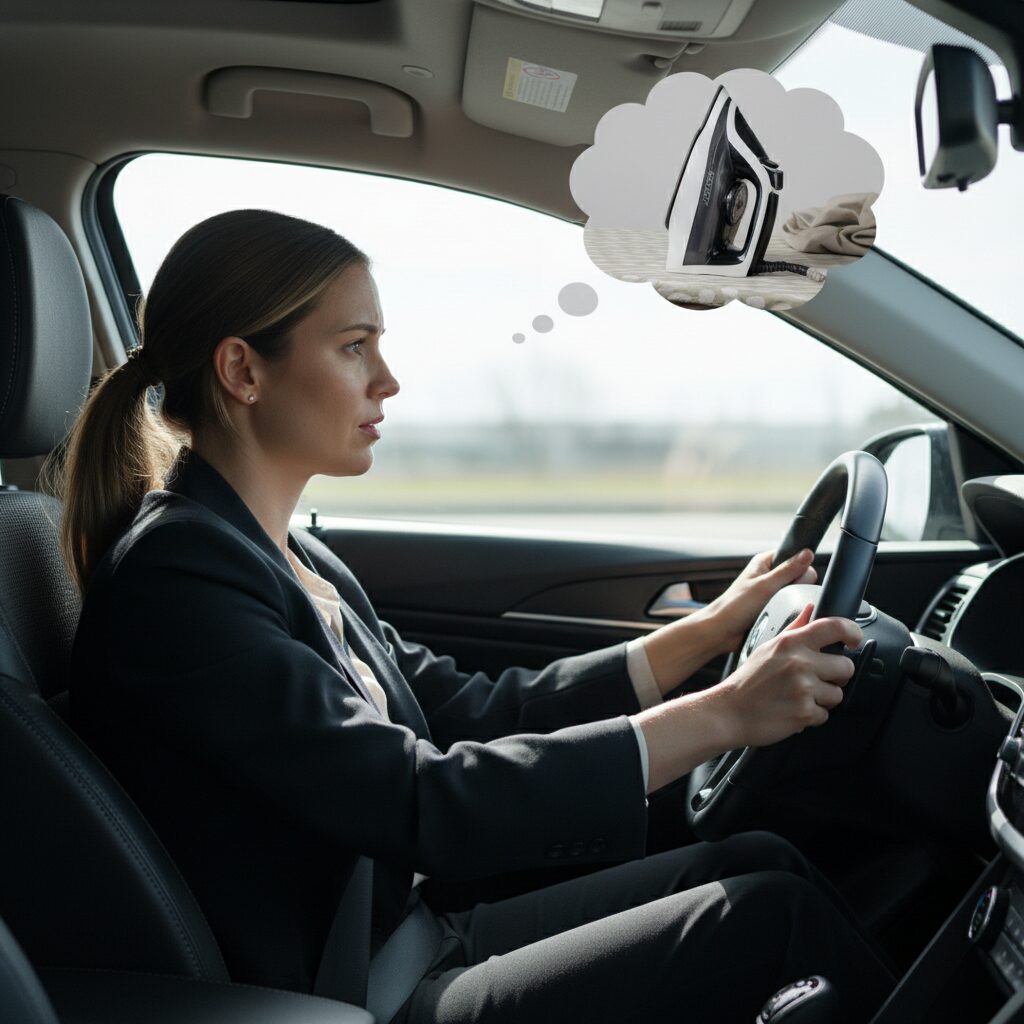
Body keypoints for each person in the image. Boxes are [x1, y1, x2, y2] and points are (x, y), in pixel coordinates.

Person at [60, 209, 895, 1024]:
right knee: (768, 922)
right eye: (355, 348)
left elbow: (475, 713)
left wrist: (707, 633)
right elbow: (418, 799)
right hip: (351, 991)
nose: (387, 380)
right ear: (243, 371)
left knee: (758, 864)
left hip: (416, 937)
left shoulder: (289, 559)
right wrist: (725, 713)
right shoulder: (180, 579)